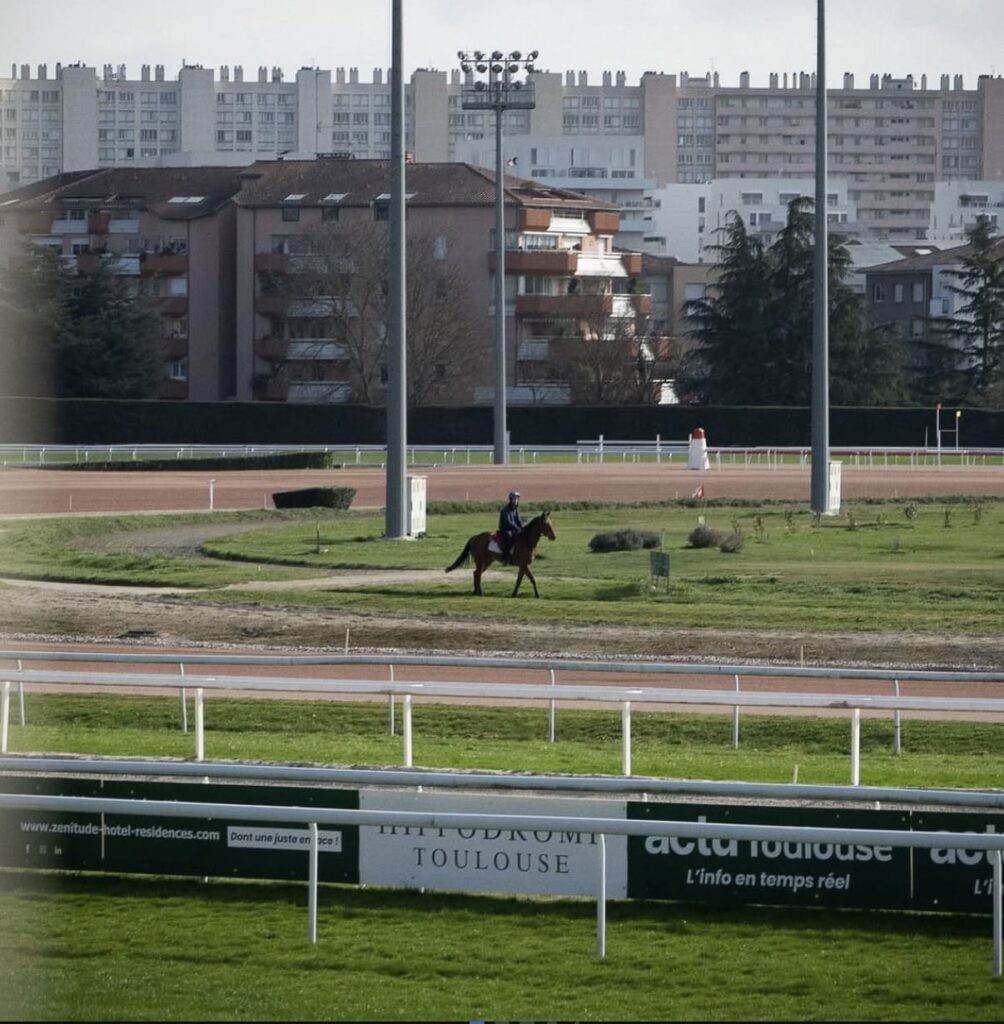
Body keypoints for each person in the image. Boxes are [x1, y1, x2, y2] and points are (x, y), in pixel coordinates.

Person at [497, 490, 524, 564]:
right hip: (505, 529)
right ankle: (506, 557)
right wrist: (517, 528)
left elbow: (519, 521)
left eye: (517, 498)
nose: (516, 500)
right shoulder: (505, 510)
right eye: (514, 498)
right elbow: (509, 522)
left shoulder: (516, 509)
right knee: (509, 537)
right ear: (510, 499)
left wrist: (523, 528)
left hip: (514, 529)